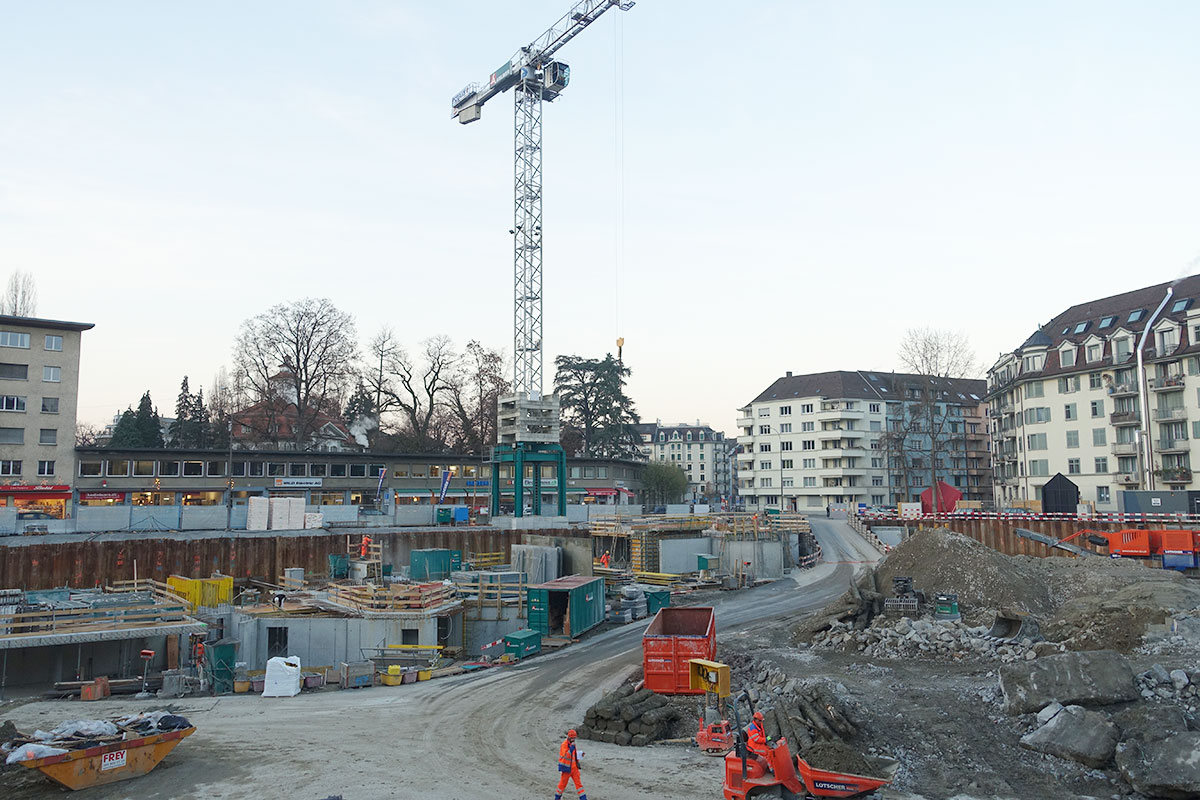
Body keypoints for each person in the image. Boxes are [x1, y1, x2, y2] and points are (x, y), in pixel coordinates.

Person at [554, 729, 586, 800]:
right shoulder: (564, 745)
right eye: (572, 738)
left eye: (574, 738)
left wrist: (580, 754)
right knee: (562, 785)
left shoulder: (573, 744)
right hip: (566, 769)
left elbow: (573, 755)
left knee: (579, 785)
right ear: (569, 737)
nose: (573, 739)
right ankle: (557, 798)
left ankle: (583, 798)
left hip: (574, 769)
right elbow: (566, 756)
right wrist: (571, 749)